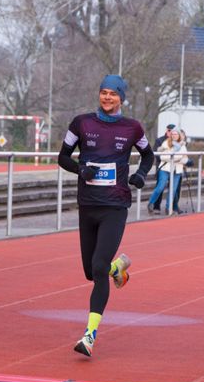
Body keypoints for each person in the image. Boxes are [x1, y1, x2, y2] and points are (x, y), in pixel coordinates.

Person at [58, 74, 154, 357]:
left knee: (98, 266)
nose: (107, 98)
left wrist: (140, 174)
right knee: (92, 272)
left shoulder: (132, 128)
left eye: (113, 93)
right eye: (104, 93)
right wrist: (80, 169)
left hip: (115, 206)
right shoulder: (81, 123)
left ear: (122, 98)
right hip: (88, 205)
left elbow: (149, 156)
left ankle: (89, 336)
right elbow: (63, 156)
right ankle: (117, 268)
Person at [147, 128, 188, 216]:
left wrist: (173, 156)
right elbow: (162, 157)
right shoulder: (166, 143)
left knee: (173, 190)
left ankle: (168, 208)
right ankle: (151, 203)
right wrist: (175, 158)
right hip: (165, 168)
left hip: (177, 170)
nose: (174, 135)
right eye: (172, 134)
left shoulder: (183, 146)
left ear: (179, 135)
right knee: (160, 187)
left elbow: (184, 159)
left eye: (176, 134)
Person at [151, 123, 176, 214]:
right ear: (166, 130)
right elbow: (156, 154)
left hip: (173, 167)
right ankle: (156, 206)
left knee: (173, 188)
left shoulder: (176, 140)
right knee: (160, 187)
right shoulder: (159, 140)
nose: (170, 132)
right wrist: (167, 158)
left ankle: (171, 207)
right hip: (162, 167)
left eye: (172, 131)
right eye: (169, 130)